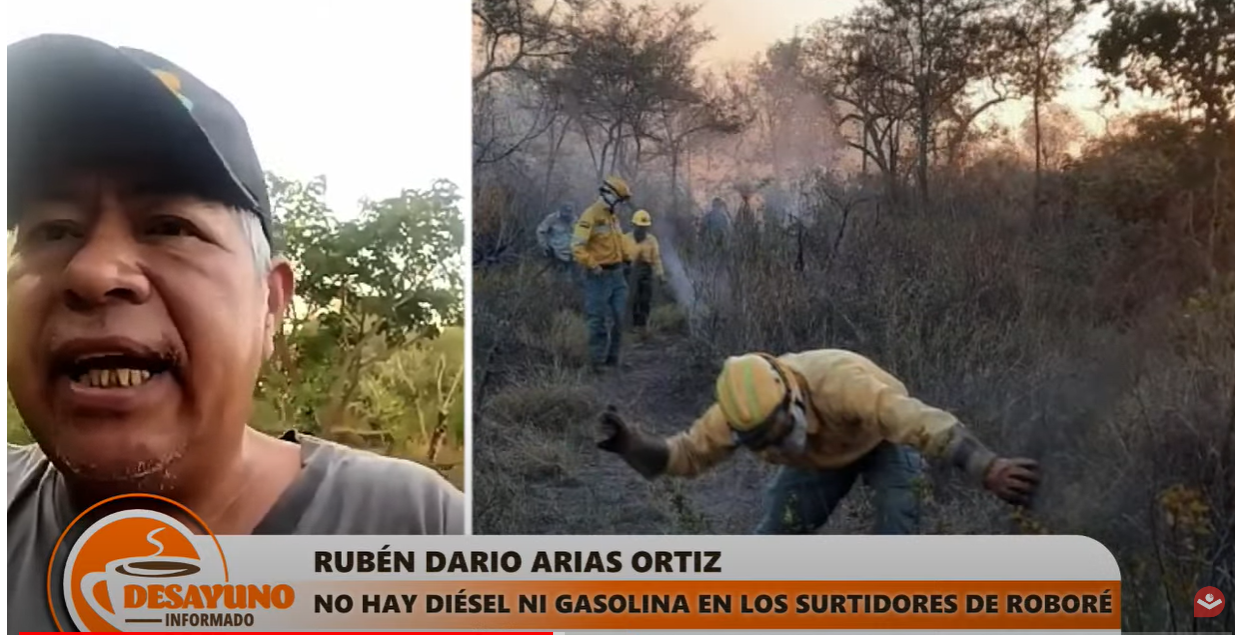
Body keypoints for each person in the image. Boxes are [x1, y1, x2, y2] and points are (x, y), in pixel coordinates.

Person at [6, 36, 466, 624]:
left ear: (269, 305)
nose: (93, 272)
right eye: (52, 230)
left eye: (168, 226)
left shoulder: (424, 535)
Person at [596, 349, 1040, 534]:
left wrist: (987, 466)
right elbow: (683, 456)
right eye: (764, 442)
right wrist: (631, 444)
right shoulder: (731, 418)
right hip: (817, 463)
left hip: (880, 442)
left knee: (897, 521)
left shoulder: (839, 382)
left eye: (784, 430)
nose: (781, 445)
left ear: (794, 396)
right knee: (776, 535)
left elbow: (916, 421)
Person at [572, 176, 633, 372]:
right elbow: (576, 247)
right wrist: (593, 265)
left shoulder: (613, 217)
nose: (621, 205)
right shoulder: (589, 216)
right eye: (619, 200)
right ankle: (596, 363)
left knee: (618, 317)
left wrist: (626, 258)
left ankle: (613, 360)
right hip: (599, 276)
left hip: (617, 275)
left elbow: (619, 241)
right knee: (597, 319)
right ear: (608, 196)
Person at [623, 209, 666, 334]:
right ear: (634, 225)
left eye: (644, 227)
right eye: (640, 227)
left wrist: (660, 274)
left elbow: (656, 259)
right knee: (631, 298)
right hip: (629, 270)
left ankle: (641, 325)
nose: (642, 230)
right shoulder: (625, 239)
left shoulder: (652, 240)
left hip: (645, 271)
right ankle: (628, 325)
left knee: (645, 299)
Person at [536, 202, 577, 281]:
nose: (567, 216)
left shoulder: (575, 220)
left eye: (569, 213)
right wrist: (545, 247)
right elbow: (540, 231)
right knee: (554, 279)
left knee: (569, 281)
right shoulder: (551, 219)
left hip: (571, 256)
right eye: (565, 213)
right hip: (555, 254)